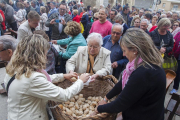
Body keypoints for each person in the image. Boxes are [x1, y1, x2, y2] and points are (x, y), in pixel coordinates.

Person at [4, 34, 90, 120]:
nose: (46, 57)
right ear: (38, 55)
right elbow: (64, 95)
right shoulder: (32, 78)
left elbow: (41, 81)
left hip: (15, 114)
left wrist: (63, 76)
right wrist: (81, 81)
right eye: (45, 53)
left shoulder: (15, 69)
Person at [93, 28, 166, 120]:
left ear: (135, 50)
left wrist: (98, 109)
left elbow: (120, 104)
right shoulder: (145, 64)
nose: (123, 54)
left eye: (124, 50)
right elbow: (123, 83)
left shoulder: (144, 73)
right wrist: (106, 98)